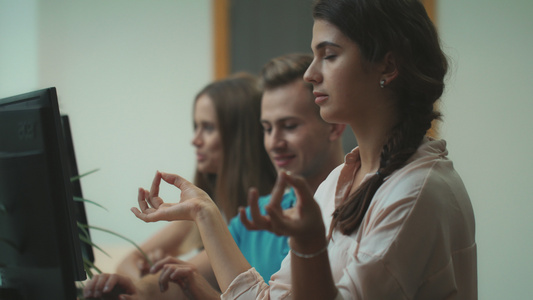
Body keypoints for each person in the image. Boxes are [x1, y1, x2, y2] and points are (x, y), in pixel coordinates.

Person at [122, 0, 477, 299]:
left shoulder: (417, 191)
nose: (311, 74)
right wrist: (203, 211)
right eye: (313, 56)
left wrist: (308, 242)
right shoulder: (339, 182)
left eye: (330, 55)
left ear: (387, 64)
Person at [82, 53, 347, 299]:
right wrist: (136, 289)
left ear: (334, 125)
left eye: (289, 126)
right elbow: (181, 279)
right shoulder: (252, 218)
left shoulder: (353, 210)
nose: (274, 142)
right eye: (267, 128)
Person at [116, 72, 277, 281]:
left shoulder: (267, 216)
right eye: (196, 126)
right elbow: (127, 264)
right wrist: (148, 277)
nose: (195, 140)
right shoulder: (206, 207)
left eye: (208, 128)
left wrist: (153, 282)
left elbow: (171, 283)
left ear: (240, 136)